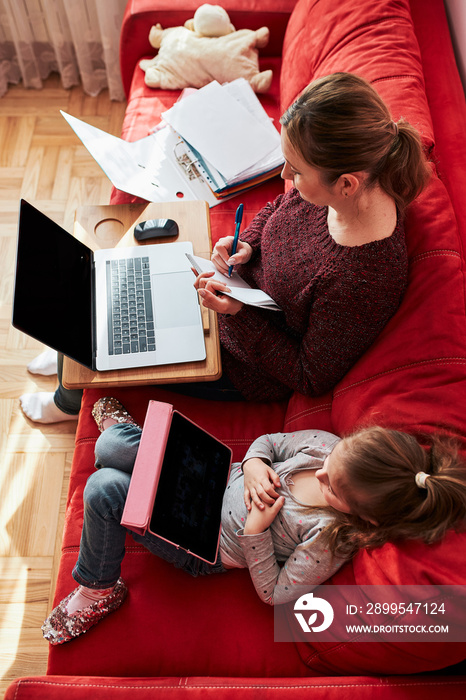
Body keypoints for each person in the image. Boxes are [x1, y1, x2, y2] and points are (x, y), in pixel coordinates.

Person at [22, 71, 431, 422]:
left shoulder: (364, 277)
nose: (286, 175)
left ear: (346, 183)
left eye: (296, 169)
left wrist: (236, 314)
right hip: (226, 289)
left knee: (114, 329)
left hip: (240, 365)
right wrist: (248, 245)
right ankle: (72, 350)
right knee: (109, 282)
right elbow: (277, 207)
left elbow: (309, 374)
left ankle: (68, 396)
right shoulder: (336, 189)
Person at [41, 397, 466, 645]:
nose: (320, 475)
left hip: (204, 541)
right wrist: (258, 462)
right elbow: (271, 442)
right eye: (330, 464)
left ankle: (99, 588)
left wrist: (257, 530)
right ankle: (136, 447)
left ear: (365, 516)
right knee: (113, 444)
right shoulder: (326, 448)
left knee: (104, 487)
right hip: (215, 471)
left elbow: (275, 593)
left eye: (332, 488)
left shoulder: (330, 537)